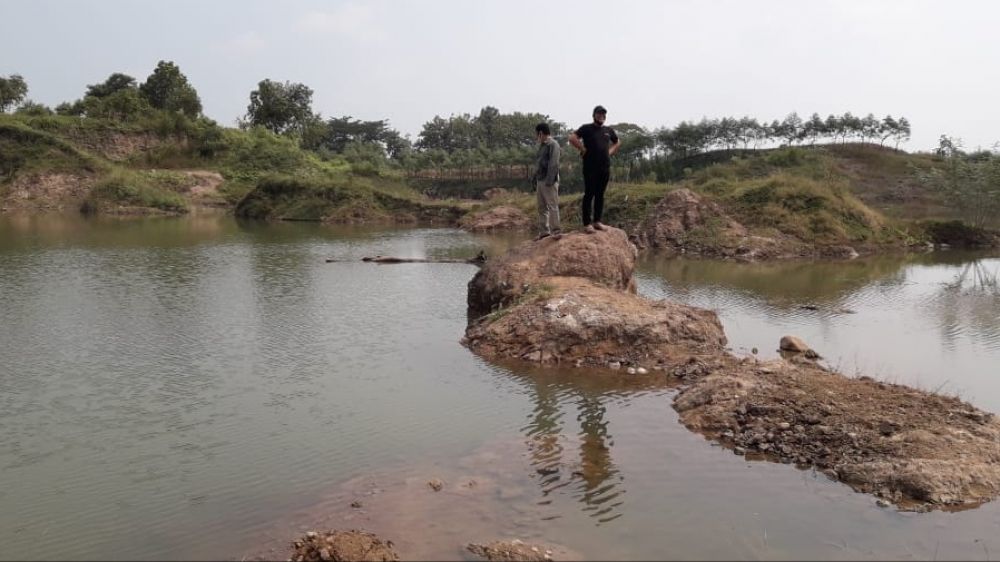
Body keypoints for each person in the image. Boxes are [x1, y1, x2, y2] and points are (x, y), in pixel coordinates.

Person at [568, 105, 620, 233]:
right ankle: (587, 223)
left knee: (600, 195)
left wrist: (610, 151)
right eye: (599, 114)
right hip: (590, 167)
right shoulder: (586, 128)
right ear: (594, 115)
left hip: (604, 167)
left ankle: (597, 221)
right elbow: (572, 138)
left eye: (603, 114)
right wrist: (582, 148)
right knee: (589, 194)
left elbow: (618, 142)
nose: (601, 116)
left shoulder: (608, 130)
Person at [533, 122, 562, 240]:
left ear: (540, 133)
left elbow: (554, 163)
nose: (536, 137)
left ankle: (556, 231)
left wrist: (549, 180)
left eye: (537, 134)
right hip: (540, 180)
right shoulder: (542, 145)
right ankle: (544, 232)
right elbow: (539, 163)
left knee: (552, 206)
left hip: (548, 180)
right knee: (541, 207)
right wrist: (534, 178)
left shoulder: (553, 144)